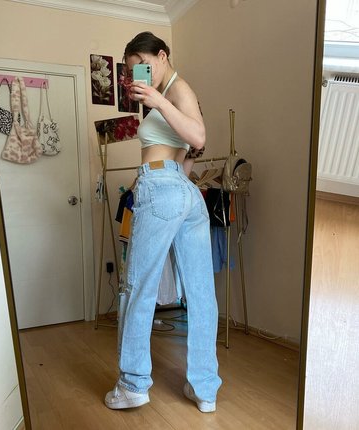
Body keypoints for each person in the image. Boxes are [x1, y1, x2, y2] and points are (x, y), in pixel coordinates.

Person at [105, 31, 222, 413]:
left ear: (162, 55)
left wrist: (156, 100)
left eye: (142, 64)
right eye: (130, 70)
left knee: (137, 287)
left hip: (161, 186)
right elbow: (186, 159)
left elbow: (200, 134)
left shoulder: (176, 89)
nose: (137, 73)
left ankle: (132, 384)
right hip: (182, 189)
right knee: (201, 293)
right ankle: (204, 388)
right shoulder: (171, 95)